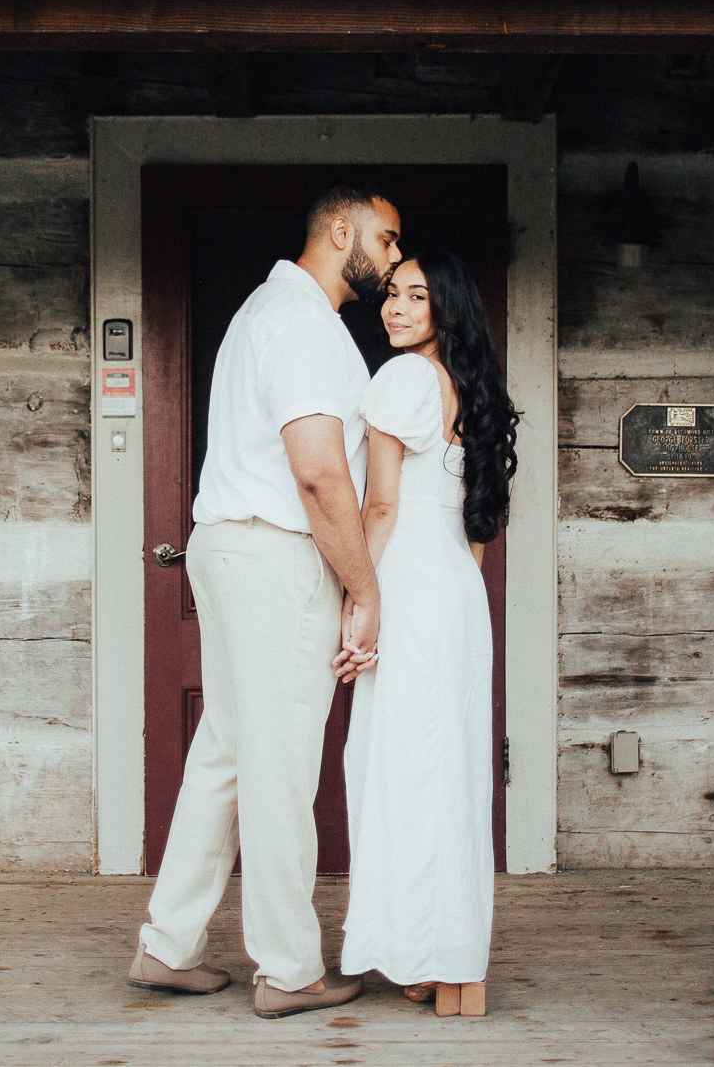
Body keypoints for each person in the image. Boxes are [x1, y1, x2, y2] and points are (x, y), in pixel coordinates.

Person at [126, 181, 402, 1020]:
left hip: (232, 547)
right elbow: (318, 472)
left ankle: (166, 943)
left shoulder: (264, 311)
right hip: (277, 555)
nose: (392, 258)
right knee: (281, 762)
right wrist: (365, 587)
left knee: (230, 751)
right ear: (342, 227)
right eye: (387, 240)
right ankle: (288, 968)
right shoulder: (303, 321)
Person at [338, 248, 518, 1019]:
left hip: (406, 586)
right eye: (391, 294)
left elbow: (380, 508)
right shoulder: (474, 391)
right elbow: (478, 529)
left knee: (399, 772)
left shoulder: (402, 378)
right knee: (451, 777)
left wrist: (359, 596)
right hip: (457, 593)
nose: (397, 308)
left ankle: (423, 951)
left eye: (417, 295)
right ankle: (451, 962)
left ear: (446, 306)